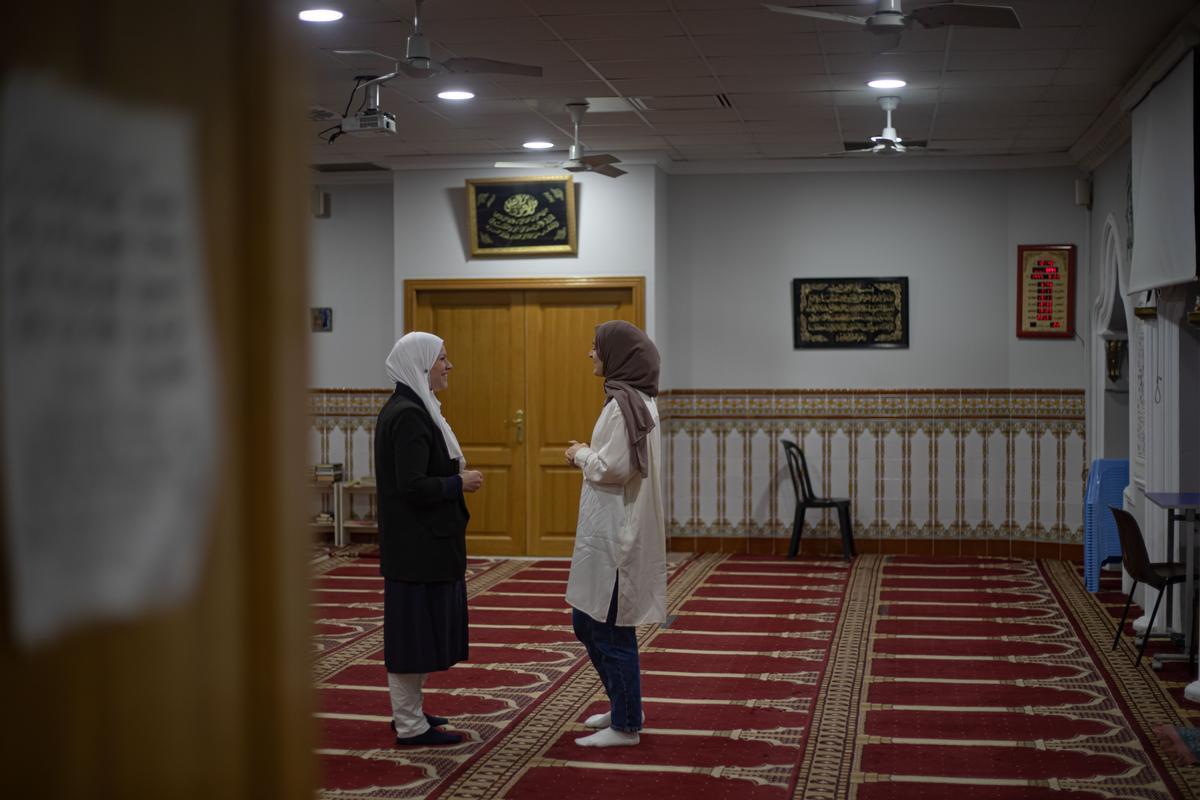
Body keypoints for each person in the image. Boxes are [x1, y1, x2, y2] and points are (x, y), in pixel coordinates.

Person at [375, 332, 484, 746]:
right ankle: (408, 725)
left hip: (424, 545)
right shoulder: (409, 415)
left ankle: (412, 713)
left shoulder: (416, 408)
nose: (448, 366)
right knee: (410, 636)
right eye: (442, 358)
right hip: (416, 548)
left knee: (419, 633)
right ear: (421, 365)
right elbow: (413, 485)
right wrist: (458, 483)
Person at [564, 320, 666, 748]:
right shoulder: (627, 401)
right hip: (606, 533)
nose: (591, 354)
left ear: (618, 354)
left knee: (608, 628)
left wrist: (579, 454)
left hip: (617, 538)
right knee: (587, 622)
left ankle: (626, 725)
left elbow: (614, 468)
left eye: (595, 346)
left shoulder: (627, 405)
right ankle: (626, 704)